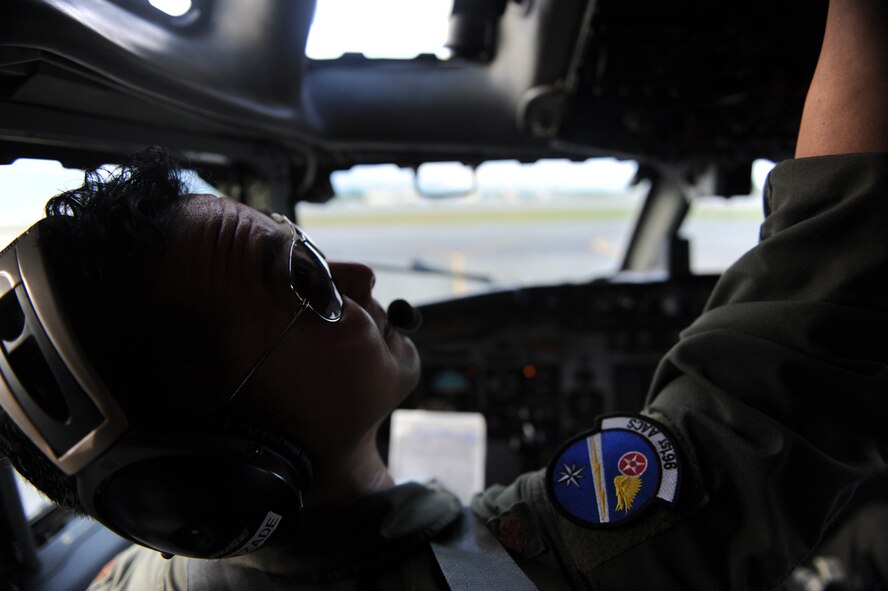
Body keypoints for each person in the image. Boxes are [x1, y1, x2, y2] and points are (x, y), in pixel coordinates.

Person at [1, 0, 887, 588]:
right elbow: (786, 375)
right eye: (306, 284)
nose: (358, 277)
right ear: (236, 468)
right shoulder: (501, 574)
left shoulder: (138, 573)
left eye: (310, 248)